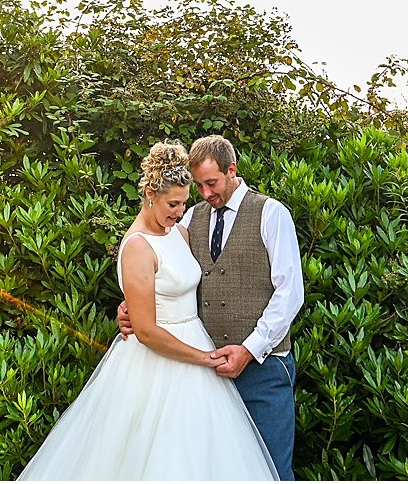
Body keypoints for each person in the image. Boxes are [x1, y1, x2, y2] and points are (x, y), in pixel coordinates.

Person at [17, 142, 277, 480]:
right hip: (158, 360)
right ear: (151, 195)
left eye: (185, 203)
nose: (180, 212)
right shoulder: (137, 246)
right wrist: (202, 358)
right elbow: (147, 330)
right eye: (173, 204)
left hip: (196, 348)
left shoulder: (180, 233)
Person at [116, 135, 304, 480]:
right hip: (202, 374)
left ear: (232, 170)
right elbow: (160, 267)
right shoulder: (188, 220)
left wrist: (250, 349)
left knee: (270, 471)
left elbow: (290, 294)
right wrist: (131, 306)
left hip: (263, 369)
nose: (205, 193)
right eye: (199, 185)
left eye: (211, 183)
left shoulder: (271, 214)